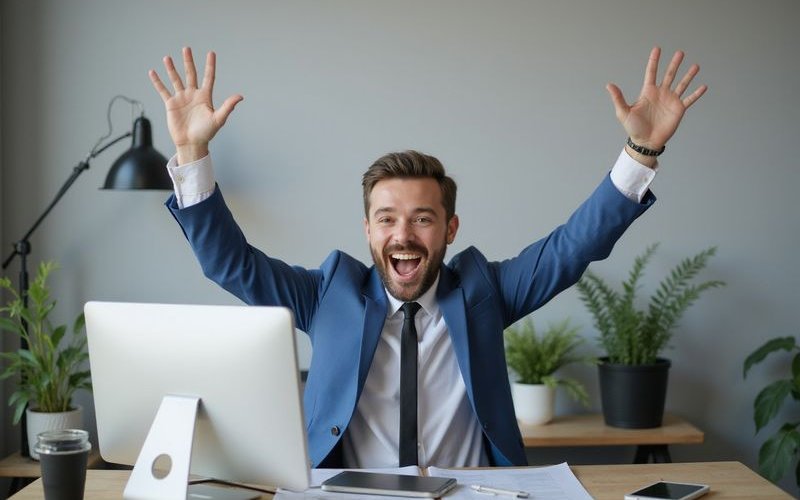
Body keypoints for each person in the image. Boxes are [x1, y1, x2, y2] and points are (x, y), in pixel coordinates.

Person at [149, 46, 706, 469]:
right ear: (367, 230)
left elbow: (572, 246)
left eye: (422, 218)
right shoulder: (326, 294)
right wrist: (192, 153)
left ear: (449, 229)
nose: (404, 235)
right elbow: (231, 263)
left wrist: (641, 152)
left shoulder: (484, 292)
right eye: (387, 219)